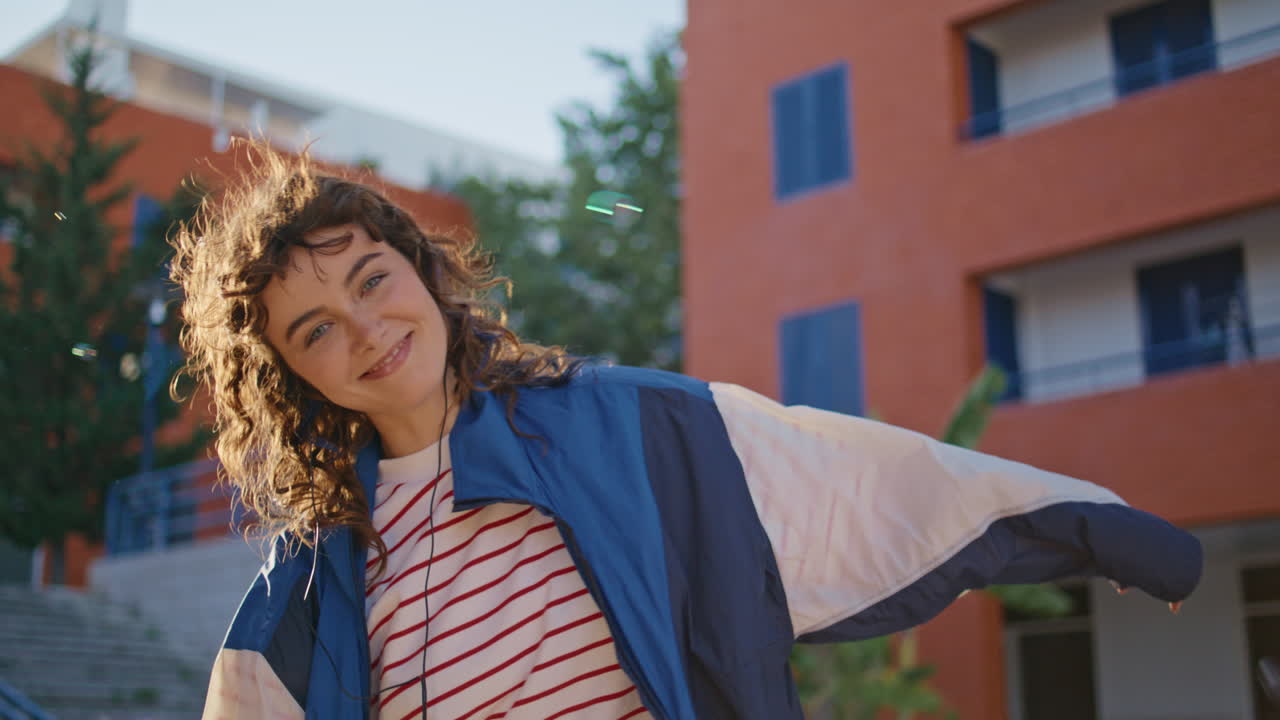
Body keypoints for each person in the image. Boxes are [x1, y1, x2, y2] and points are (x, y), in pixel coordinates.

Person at [175, 146, 1201, 720]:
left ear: (421, 273)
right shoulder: (304, 601)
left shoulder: (627, 429)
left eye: (371, 280)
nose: (364, 330)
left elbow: (867, 482)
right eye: (316, 327)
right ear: (290, 374)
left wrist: (1096, 529)